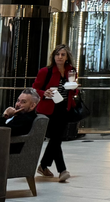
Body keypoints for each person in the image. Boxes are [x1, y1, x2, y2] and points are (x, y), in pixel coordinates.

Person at [33, 44, 80, 183]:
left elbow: (73, 90)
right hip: (48, 109)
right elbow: (35, 88)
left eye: (63, 55)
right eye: (57, 54)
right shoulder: (45, 71)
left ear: (67, 57)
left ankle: (43, 165)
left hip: (64, 108)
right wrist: (43, 93)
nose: (60, 57)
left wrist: (75, 88)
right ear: (53, 56)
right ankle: (62, 170)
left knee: (56, 139)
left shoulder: (71, 71)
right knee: (56, 139)